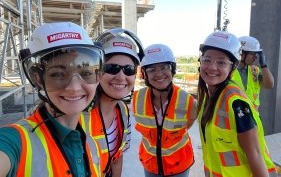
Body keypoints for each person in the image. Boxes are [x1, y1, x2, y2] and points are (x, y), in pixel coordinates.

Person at [0, 22, 105, 176]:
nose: (74, 87)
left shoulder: (91, 137)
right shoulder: (15, 141)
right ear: (38, 80)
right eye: (57, 74)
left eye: (86, 73)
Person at [197, 31, 277, 177]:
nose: (212, 67)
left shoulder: (236, 101)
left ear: (231, 67)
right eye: (207, 60)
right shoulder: (208, 96)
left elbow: (256, 155)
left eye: (221, 62)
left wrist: (264, 65)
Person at [80, 28, 144, 177]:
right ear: (96, 70)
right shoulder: (76, 113)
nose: (121, 77)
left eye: (129, 69)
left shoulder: (122, 110)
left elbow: (116, 158)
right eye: (111, 68)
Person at [131, 44, 198, 177]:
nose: (159, 74)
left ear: (172, 69)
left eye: (164, 67)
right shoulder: (137, 99)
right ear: (145, 74)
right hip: (151, 164)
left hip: (179, 165)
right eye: (151, 69)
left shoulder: (188, 101)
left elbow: (188, 124)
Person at [232, 36, 274, 109]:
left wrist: (264, 65)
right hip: (234, 114)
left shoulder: (255, 71)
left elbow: (269, 85)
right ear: (242, 54)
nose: (256, 57)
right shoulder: (229, 70)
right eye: (253, 54)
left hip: (252, 116)